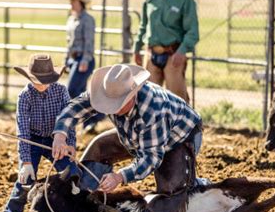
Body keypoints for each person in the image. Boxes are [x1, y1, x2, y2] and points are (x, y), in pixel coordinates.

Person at [52, 64, 203, 195]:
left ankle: (200, 185)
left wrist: (120, 176)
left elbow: (151, 157)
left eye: (117, 104)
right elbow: (74, 108)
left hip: (180, 136)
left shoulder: (152, 109)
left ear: (132, 95)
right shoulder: (109, 90)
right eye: (109, 102)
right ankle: (83, 194)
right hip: (134, 135)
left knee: (170, 193)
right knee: (99, 146)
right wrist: (60, 134)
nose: (112, 108)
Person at [3, 54, 80, 212]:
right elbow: (22, 131)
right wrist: (26, 161)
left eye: (46, 80)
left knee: (72, 173)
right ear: (29, 78)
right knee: (25, 179)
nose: (42, 84)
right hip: (33, 140)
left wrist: (71, 145)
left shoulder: (61, 91)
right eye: (37, 80)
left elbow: (69, 120)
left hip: (57, 139)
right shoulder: (25, 96)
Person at [133, 0, 199, 104]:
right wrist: (137, 48)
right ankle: (153, 122)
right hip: (151, 54)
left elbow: (192, 31)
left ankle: (181, 121)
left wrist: (182, 51)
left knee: (177, 100)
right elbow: (143, 25)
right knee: (148, 98)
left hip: (173, 55)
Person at [61, 0, 104, 133]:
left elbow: (89, 41)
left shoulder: (88, 19)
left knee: (72, 90)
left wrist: (85, 59)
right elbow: (69, 41)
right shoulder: (72, 18)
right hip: (74, 59)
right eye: (71, 1)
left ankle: (96, 115)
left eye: (73, 1)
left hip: (83, 60)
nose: (71, 4)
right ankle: (90, 121)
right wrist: (66, 60)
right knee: (80, 92)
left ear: (80, 2)